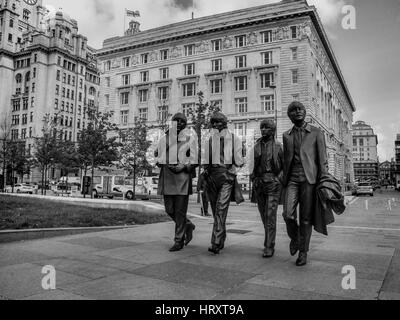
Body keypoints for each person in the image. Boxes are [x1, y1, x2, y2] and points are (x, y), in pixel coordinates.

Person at [282, 101, 328, 266]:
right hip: (292, 179)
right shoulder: (286, 135)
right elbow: (285, 160)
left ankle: (303, 252)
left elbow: (322, 160)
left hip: (310, 180)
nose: (297, 112)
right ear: (290, 115)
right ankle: (295, 238)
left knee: (306, 219)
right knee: (288, 214)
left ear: (305, 111)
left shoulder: (316, 132)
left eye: (300, 109)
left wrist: (323, 181)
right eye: (293, 110)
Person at [155, 113, 198, 252]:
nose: (179, 123)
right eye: (176, 120)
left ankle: (178, 240)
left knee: (180, 211)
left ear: (185, 124)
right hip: (167, 176)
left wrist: (184, 166)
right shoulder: (164, 138)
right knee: (169, 210)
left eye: (182, 121)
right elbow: (157, 154)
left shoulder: (190, 139)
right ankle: (188, 225)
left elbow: (195, 159)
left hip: (182, 178)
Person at [203, 112, 244, 254]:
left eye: (218, 122)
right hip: (212, 178)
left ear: (224, 123)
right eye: (213, 123)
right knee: (216, 211)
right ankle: (221, 237)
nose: (215, 125)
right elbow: (206, 161)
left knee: (220, 209)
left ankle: (216, 241)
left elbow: (239, 162)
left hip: (226, 178)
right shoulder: (210, 140)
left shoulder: (234, 139)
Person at [251, 120, 283, 258]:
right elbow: (251, 165)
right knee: (264, 215)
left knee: (270, 215)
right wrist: (254, 178)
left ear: (273, 130)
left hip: (273, 183)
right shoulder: (256, 146)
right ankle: (268, 240)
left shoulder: (278, 146)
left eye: (266, 127)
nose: (263, 130)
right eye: (262, 127)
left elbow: (284, 166)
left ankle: (269, 245)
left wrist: (278, 179)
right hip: (259, 183)